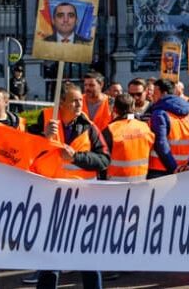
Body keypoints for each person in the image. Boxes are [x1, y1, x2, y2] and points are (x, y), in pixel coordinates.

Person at [28, 83, 110, 289]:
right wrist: (43, 138)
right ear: (60, 103)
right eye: (74, 100)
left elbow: (104, 159)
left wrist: (77, 157)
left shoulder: (89, 127)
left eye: (80, 100)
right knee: (51, 258)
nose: (79, 104)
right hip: (50, 201)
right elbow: (25, 154)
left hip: (83, 203)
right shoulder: (42, 122)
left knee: (87, 256)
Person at [146, 78, 189, 179]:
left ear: (163, 94)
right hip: (185, 169)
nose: (152, 96)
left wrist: (174, 168)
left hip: (160, 169)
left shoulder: (159, 114)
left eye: (155, 93)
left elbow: (161, 144)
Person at [101, 93, 154, 183]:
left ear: (114, 109)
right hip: (142, 180)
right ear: (133, 108)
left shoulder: (110, 130)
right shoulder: (145, 127)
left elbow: (101, 160)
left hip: (115, 184)